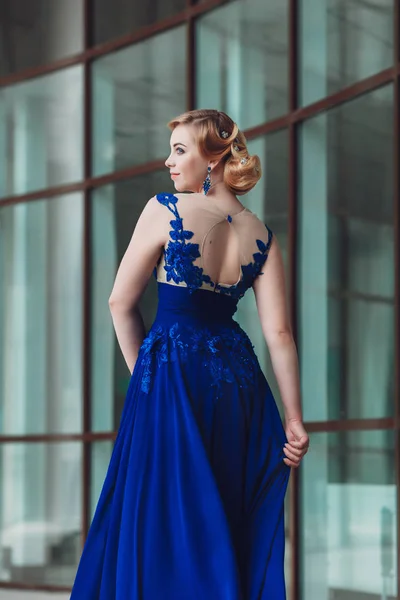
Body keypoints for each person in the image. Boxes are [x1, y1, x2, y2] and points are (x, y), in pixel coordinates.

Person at [70, 109, 309, 599]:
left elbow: (120, 302)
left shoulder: (165, 208)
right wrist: (295, 419)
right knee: (224, 514)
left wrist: (146, 380)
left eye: (181, 151)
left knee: (163, 524)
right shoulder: (262, 234)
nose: (169, 161)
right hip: (239, 385)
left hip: (174, 373)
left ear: (215, 159)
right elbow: (279, 333)